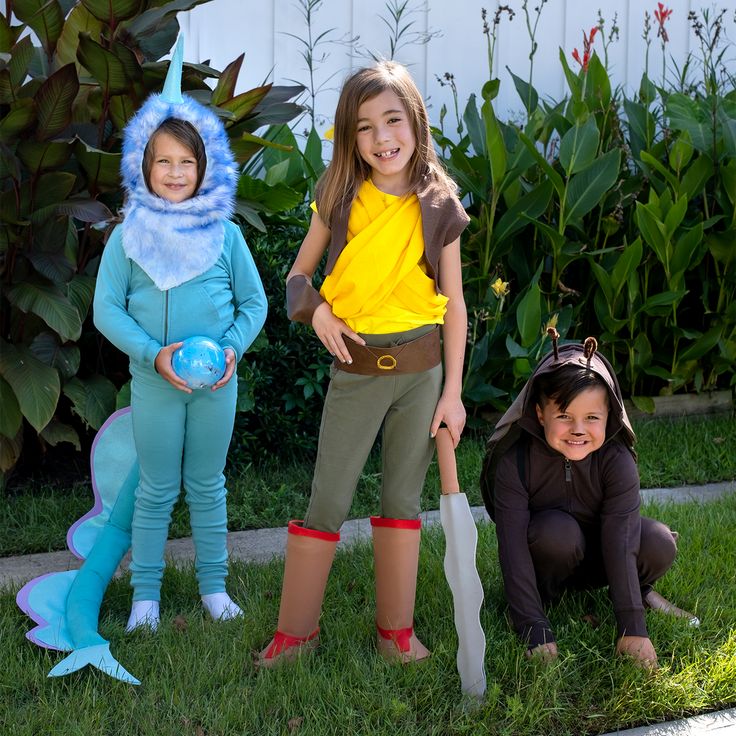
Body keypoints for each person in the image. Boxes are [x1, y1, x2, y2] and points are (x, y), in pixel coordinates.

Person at [258, 61, 469, 667]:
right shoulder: (340, 197)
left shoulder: (439, 205)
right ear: (350, 137)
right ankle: (295, 632)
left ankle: (395, 632)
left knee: (404, 499)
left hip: (424, 376)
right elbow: (299, 277)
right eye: (365, 126)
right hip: (355, 370)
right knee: (328, 497)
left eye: (393, 121)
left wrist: (452, 393)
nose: (382, 138)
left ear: (416, 123)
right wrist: (318, 313)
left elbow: (454, 306)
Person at [93, 38, 267, 633]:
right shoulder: (128, 237)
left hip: (217, 381)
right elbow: (106, 310)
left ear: (205, 168)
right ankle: (146, 596)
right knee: (158, 488)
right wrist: (151, 353)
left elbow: (255, 302)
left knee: (208, 484)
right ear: (143, 164)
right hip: (155, 381)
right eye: (162, 161)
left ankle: (214, 589)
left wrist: (233, 347)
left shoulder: (225, 236)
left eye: (186, 163)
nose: (174, 173)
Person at [480, 331, 699, 669]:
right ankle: (542, 603)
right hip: (552, 554)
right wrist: (532, 626)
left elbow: (621, 537)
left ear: (609, 415)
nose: (578, 429)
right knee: (558, 532)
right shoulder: (516, 461)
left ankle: (638, 594)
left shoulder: (616, 459)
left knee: (657, 541)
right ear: (540, 414)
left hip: (603, 554)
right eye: (564, 416)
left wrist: (632, 627)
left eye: (592, 418)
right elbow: (511, 546)